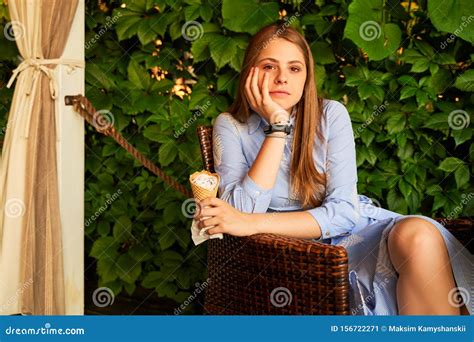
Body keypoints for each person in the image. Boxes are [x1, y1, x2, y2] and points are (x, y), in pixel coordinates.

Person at [193, 23, 472, 316]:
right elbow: (236, 214)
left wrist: (251, 222)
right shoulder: (231, 125)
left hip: (354, 234)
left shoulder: (330, 115)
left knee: (417, 234)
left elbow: (343, 213)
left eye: (294, 69)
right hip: (294, 255)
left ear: (306, 78)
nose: (282, 78)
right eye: (268, 66)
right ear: (250, 72)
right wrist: (277, 129)